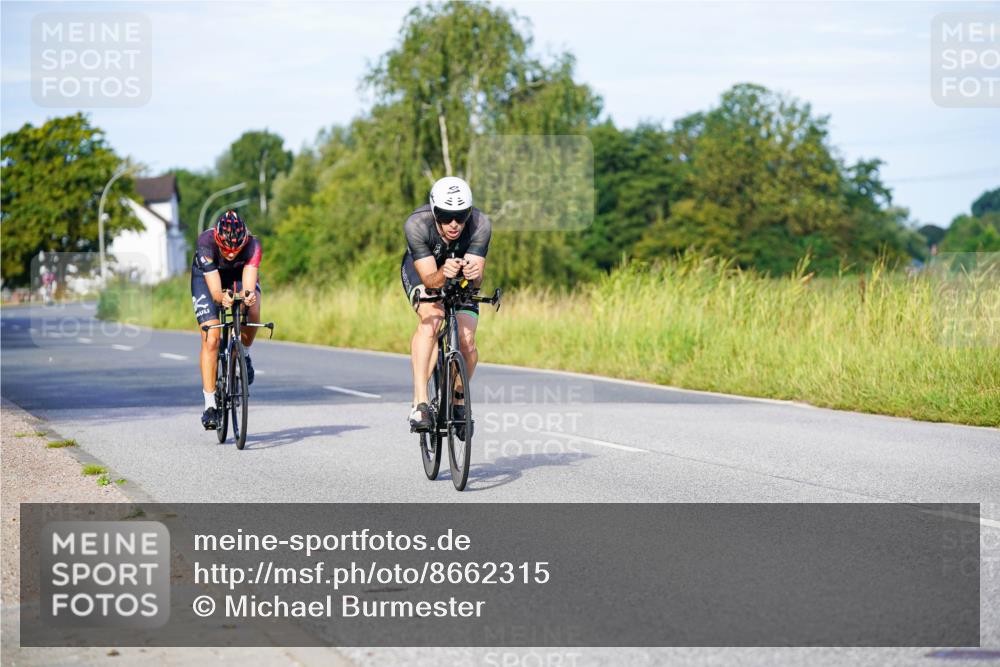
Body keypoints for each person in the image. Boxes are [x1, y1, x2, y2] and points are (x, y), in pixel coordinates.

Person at [401, 176, 492, 438]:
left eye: (461, 216)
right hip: (426, 271)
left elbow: (475, 283)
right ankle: (419, 403)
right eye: (445, 216)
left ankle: (458, 400)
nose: (454, 224)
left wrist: (474, 275)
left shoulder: (480, 225)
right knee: (433, 317)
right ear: (434, 211)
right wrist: (444, 272)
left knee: (468, 341)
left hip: (459, 276)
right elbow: (430, 280)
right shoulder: (417, 224)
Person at [190, 210, 263, 430]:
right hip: (208, 277)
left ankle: (245, 354)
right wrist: (223, 298)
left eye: (236, 249)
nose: (231, 254)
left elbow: (248, 286)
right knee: (211, 337)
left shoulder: (253, 246)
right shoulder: (206, 242)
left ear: (245, 240)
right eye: (226, 249)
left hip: (238, 275)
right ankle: (210, 405)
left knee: (254, 310)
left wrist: (248, 296)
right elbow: (215, 293)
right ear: (217, 240)